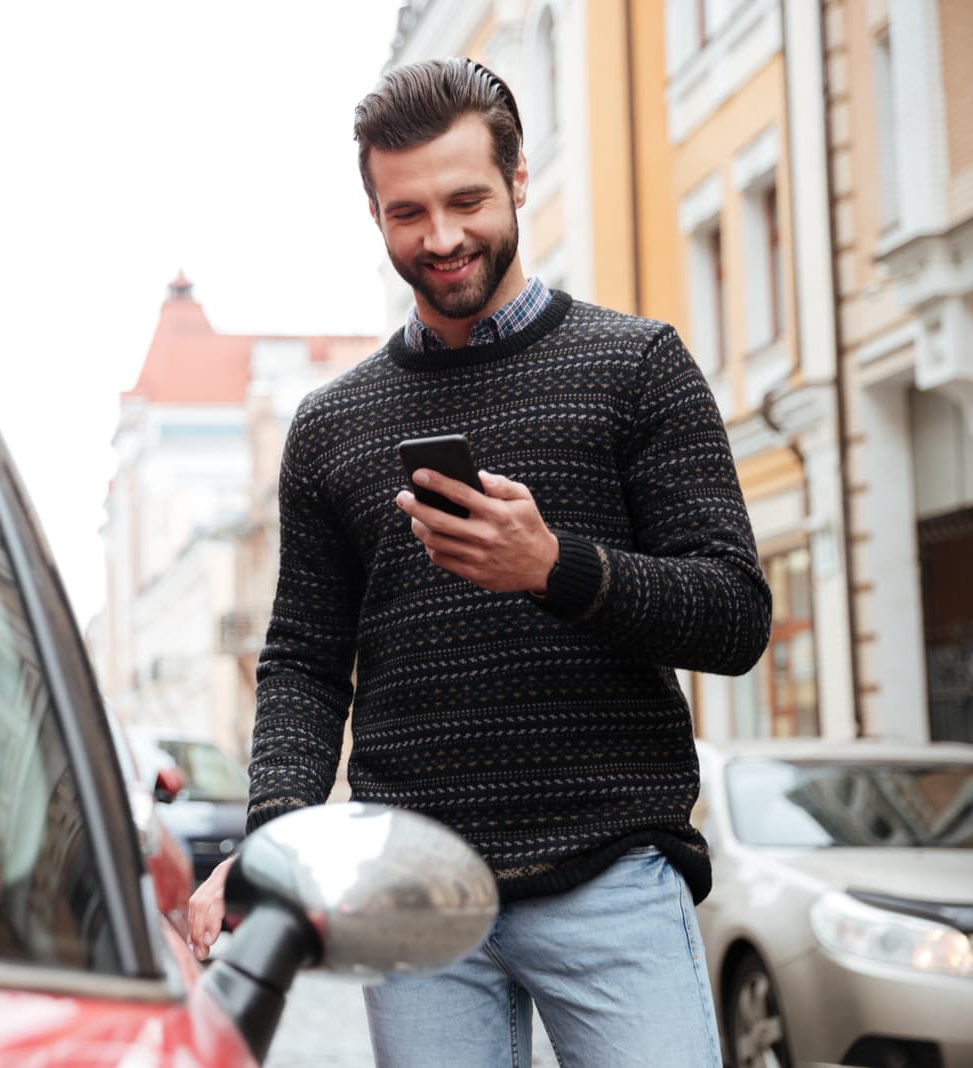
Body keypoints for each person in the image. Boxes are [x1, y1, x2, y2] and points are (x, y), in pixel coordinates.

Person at [187, 58, 771, 1068]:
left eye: (465, 200)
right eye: (407, 212)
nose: (442, 237)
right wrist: (277, 841)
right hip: (409, 896)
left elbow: (733, 615)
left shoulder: (635, 366)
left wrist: (555, 567)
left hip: (613, 878)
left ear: (517, 180)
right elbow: (302, 664)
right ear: (374, 215)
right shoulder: (332, 426)